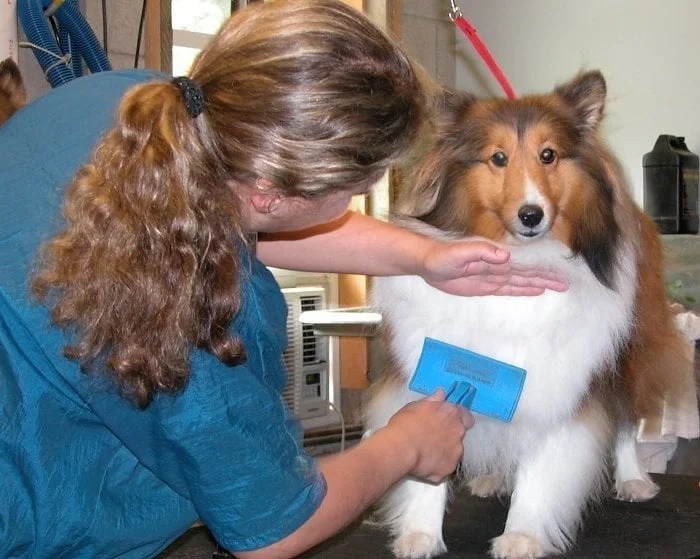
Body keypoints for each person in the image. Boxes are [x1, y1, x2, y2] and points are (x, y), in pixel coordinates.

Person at [0, 1, 567, 557]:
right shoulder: (192, 319)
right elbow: (272, 530)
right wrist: (405, 445)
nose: (357, 200)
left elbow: (232, 217)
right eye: (356, 189)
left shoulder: (137, 106)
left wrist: (423, 255)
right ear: (272, 193)